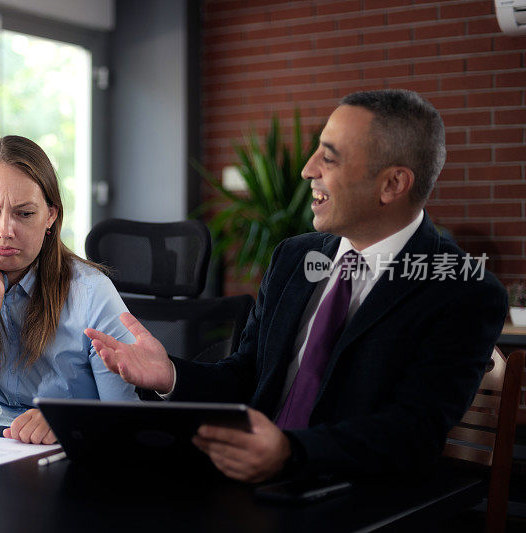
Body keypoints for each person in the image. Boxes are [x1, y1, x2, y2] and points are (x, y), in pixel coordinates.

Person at [86, 90, 508, 482]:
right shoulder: (293, 257)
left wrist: (290, 453)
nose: (308, 170)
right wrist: (171, 375)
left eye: (330, 158)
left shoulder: (464, 292)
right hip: (242, 481)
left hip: (347, 495)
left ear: (392, 184)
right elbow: (246, 376)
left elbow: (411, 434)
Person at [0, 135, 138, 444]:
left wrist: (71, 420)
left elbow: (128, 419)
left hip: (74, 453)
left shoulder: (91, 291)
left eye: (25, 213)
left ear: (50, 216)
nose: (5, 230)